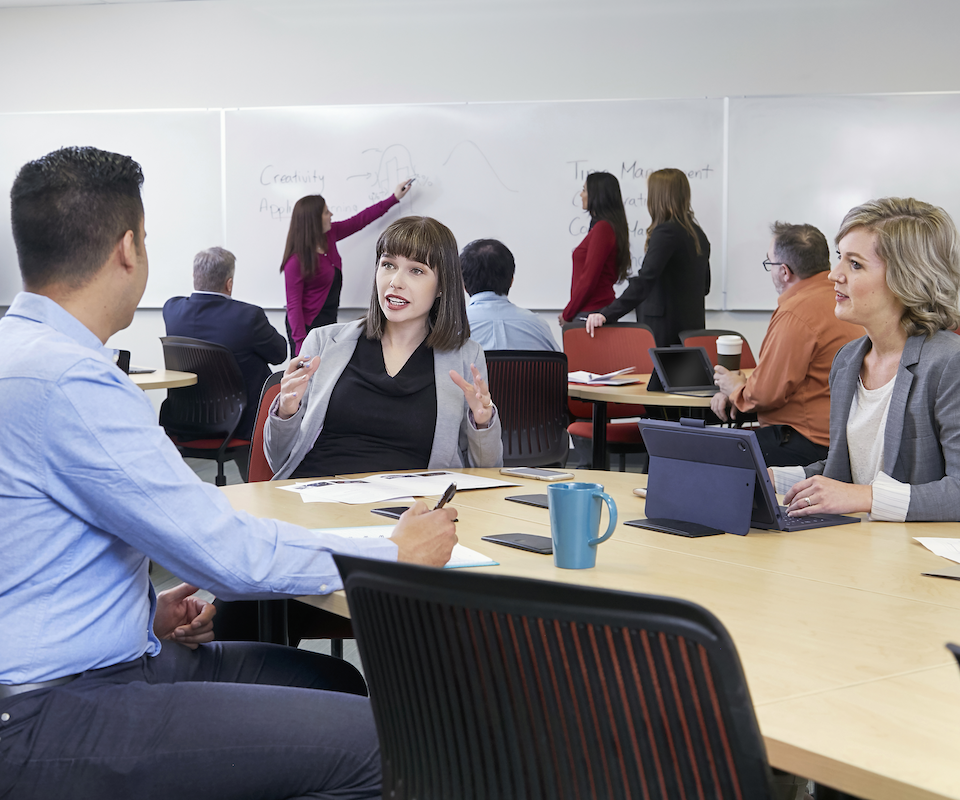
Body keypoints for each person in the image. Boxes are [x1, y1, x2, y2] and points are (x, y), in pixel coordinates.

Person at [0, 146, 458, 800]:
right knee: (388, 744)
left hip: (91, 660)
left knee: (332, 684)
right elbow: (224, 552)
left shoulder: (22, 352)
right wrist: (389, 554)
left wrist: (143, 612)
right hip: (49, 709)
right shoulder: (71, 381)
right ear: (129, 248)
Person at [265, 216, 504, 479]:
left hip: (409, 507)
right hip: (316, 495)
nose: (395, 281)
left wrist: (483, 424)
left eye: (416, 270)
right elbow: (280, 462)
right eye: (388, 265)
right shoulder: (323, 342)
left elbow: (486, 474)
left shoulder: (465, 356)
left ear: (441, 286)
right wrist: (286, 412)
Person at [774, 197, 960, 523]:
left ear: (907, 279)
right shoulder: (847, 360)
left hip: (914, 561)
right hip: (856, 549)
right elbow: (848, 471)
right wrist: (771, 477)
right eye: (839, 259)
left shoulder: (949, 364)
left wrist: (864, 497)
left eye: (855, 264)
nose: (834, 275)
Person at [710, 223, 861, 467]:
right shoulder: (845, 300)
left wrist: (736, 388)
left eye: (769, 264)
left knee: (704, 451)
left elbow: (766, 394)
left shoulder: (796, 312)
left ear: (784, 271)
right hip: (846, 440)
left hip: (807, 443)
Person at [163, 247, 287, 439]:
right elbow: (279, 355)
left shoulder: (171, 310)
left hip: (185, 417)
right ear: (229, 284)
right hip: (240, 422)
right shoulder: (247, 317)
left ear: (195, 277)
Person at [282, 179, 414, 355]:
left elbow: (361, 220)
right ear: (314, 220)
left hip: (328, 319)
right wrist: (300, 343)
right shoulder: (296, 261)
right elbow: (294, 306)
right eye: (326, 212)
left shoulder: (330, 234)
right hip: (305, 327)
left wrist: (394, 197)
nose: (331, 214)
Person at [585, 167, 710, 346]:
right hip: (691, 331)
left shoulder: (666, 231)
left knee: (658, 374)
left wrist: (607, 313)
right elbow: (704, 286)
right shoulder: (698, 234)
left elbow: (645, 280)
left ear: (658, 196)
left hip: (664, 332)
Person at [460, 238, 559, 352]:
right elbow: (561, 368)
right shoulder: (539, 326)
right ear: (511, 281)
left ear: (463, 284)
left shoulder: (452, 329)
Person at [559, 171, 631, 324]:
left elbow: (588, 278)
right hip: (594, 310)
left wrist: (568, 314)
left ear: (597, 195)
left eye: (584, 190)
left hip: (591, 312)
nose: (581, 195)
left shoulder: (603, 229)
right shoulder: (605, 227)